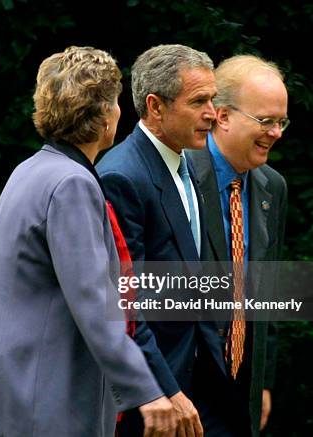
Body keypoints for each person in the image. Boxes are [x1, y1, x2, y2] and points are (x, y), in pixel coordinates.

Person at [0, 46, 177, 437]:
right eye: (116, 103)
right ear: (105, 114)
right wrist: (146, 391)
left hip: (11, 395)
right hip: (42, 403)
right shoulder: (71, 184)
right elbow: (95, 303)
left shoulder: (30, 169)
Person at [97, 44, 225, 436]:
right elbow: (127, 304)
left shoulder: (189, 163)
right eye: (199, 101)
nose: (212, 114)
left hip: (196, 380)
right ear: (155, 106)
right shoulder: (122, 176)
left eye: (213, 100)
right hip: (153, 399)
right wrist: (164, 388)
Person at [187, 54, 288, 436]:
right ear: (223, 116)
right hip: (185, 388)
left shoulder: (272, 187)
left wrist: (262, 381)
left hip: (240, 390)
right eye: (265, 121)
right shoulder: (182, 175)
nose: (276, 132)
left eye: (281, 122)